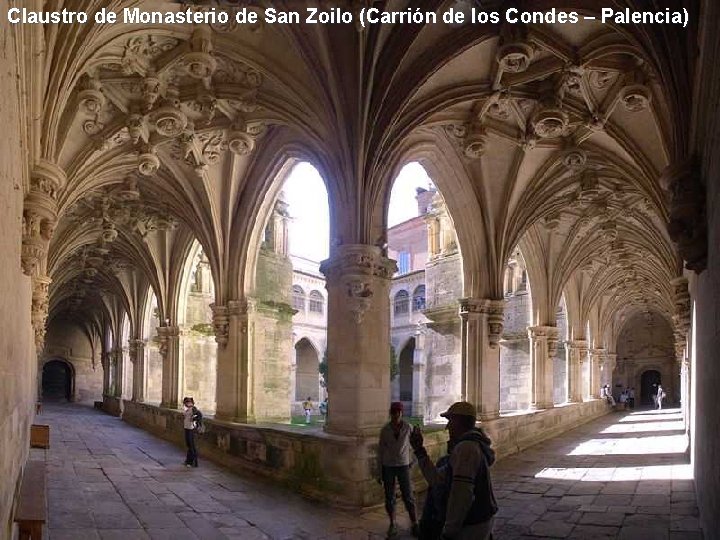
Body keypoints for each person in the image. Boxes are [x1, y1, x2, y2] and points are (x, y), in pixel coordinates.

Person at [410, 401, 497, 540]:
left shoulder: (466, 449)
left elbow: (461, 494)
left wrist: (449, 530)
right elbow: (437, 479)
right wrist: (419, 450)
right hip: (479, 521)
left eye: (450, 421)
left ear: (459, 421)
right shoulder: (469, 446)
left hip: (472, 524)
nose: (447, 427)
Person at [378, 402, 419, 538]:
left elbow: (415, 444)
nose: (396, 415)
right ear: (391, 413)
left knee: (408, 495)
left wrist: (412, 461)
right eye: (394, 412)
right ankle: (392, 524)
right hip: (388, 465)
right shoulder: (385, 430)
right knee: (389, 497)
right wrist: (379, 472)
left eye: (399, 412)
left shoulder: (408, 428)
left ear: (401, 413)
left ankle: (414, 523)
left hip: (403, 465)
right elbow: (381, 451)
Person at [182, 396, 202, 468]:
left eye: (188, 402)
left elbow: (199, 415)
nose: (187, 404)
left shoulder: (193, 409)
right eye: (186, 402)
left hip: (191, 429)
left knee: (191, 446)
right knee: (189, 445)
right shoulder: (187, 409)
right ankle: (188, 460)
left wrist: (193, 419)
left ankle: (192, 461)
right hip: (187, 428)